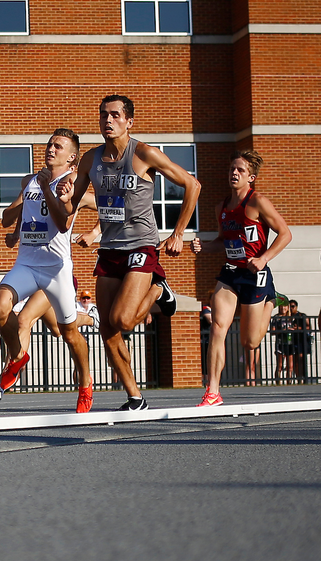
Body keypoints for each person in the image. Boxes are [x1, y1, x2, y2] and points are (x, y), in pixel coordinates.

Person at [65, 94, 199, 411]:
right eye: (103, 115)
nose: (107, 121)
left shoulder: (143, 153)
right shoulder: (91, 159)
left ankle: (158, 289)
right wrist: (63, 202)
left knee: (123, 320)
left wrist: (178, 233)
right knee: (107, 328)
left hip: (141, 245)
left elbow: (192, 185)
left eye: (114, 115)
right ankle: (135, 397)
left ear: (129, 121)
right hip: (110, 249)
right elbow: (73, 206)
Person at [0, 130, 96, 413]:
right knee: (0, 306)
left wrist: (96, 232)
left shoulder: (74, 184)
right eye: (49, 144)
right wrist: (16, 228)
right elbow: (6, 218)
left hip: (56, 271)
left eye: (58, 146)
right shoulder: (31, 181)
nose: (50, 149)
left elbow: (63, 223)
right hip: (27, 263)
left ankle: (85, 383)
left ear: (72, 157)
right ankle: (18, 357)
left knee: (68, 333)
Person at [199, 150, 291, 406]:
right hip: (230, 272)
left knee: (249, 343)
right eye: (232, 169)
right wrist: (204, 247)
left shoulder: (257, 201)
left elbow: (285, 234)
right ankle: (213, 392)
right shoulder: (221, 207)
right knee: (218, 328)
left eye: (240, 170)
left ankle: (271, 301)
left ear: (251, 177)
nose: (234, 173)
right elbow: (222, 242)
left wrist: (264, 258)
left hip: (255, 274)